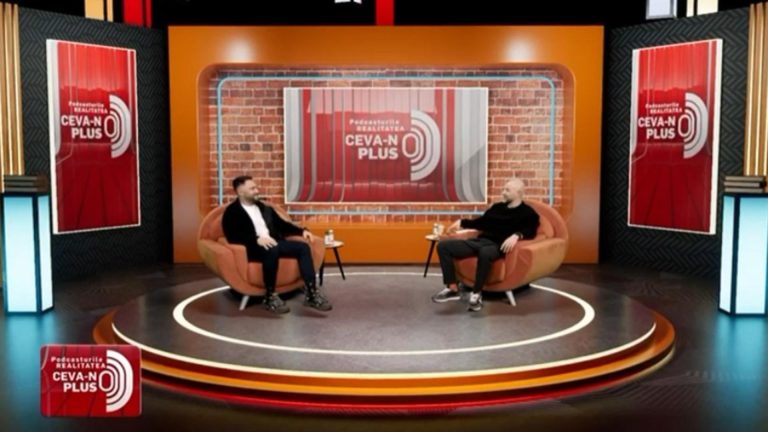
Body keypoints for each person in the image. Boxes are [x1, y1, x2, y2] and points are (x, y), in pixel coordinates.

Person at [222, 175, 332, 314]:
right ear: (240, 192)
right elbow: (233, 236)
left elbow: (282, 225)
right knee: (271, 250)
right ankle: (270, 296)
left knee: (303, 248)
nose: (257, 191)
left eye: (256, 187)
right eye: (252, 189)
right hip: (253, 248)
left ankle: (311, 293)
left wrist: (301, 231)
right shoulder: (232, 212)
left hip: (274, 243)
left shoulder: (264, 208)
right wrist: (256, 239)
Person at [431, 178, 539, 312]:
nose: (503, 192)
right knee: (443, 246)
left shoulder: (528, 213)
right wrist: (462, 223)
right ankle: (452, 288)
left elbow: (531, 231)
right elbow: (482, 222)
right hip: (481, 241)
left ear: (519, 193)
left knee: (485, 252)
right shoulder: (497, 208)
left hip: (497, 246)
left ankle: (476, 294)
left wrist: (517, 235)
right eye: (503, 189)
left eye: (507, 190)